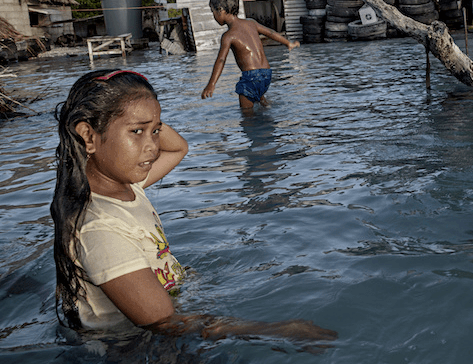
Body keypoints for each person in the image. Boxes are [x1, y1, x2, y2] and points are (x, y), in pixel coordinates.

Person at [52, 69, 336, 343]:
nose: (152, 146)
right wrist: (278, 330)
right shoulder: (100, 229)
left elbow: (178, 148)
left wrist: (146, 119)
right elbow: (164, 323)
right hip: (129, 346)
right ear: (88, 136)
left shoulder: (127, 186)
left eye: (156, 131)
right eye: (137, 131)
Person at [201, 0, 300, 110]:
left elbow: (221, 60)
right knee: (260, 99)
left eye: (213, 12)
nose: (213, 16)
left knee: (247, 115)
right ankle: (266, 105)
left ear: (221, 10)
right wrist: (288, 43)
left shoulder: (228, 36)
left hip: (251, 76)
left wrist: (211, 84)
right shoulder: (251, 22)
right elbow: (271, 32)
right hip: (267, 74)